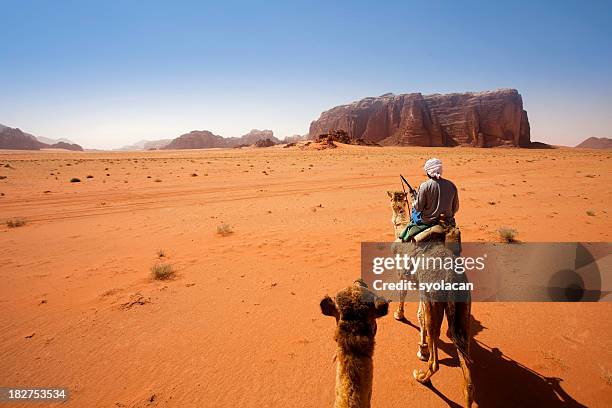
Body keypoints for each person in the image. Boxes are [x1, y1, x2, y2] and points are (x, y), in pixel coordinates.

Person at [399, 158, 459, 242]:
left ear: (428, 172)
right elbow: (455, 208)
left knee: (414, 212)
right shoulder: (452, 185)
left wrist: (413, 198)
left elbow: (418, 208)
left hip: (427, 221)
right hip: (447, 221)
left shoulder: (425, 186)